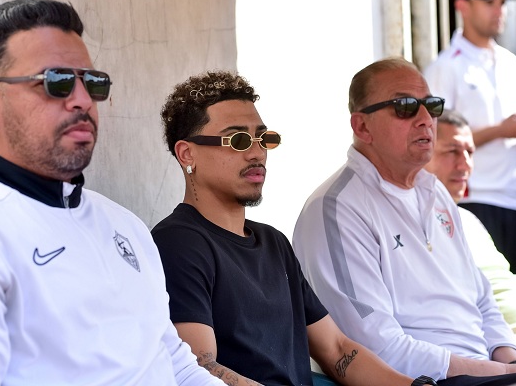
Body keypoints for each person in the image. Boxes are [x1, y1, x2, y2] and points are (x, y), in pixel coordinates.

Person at [0, 0, 226, 386]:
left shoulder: (126, 226)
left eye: (92, 83)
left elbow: (177, 366)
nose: (82, 100)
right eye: (56, 81)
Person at [151, 70, 426, 386]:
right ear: (187, 153)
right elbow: (200, 367)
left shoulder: (273, 242)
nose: (257, 153)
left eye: (263, 139)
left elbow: (337, 350)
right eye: (238, 140)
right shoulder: (177, 243)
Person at [293, 57, 516, 385]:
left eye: (432, 105)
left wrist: (508, 360)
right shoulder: (337, 209)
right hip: (426, 380)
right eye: (405, 107)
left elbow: (482, 298)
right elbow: (376, 349)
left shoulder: (435, 192)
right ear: (362, 127)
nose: (426, 119)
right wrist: (500, 373)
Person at [423, 0, 516, 272]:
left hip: (513, 199)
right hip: (474, 201)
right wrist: (500, 131)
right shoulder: (444, 67)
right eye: (490, 2)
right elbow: (431, 141)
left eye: (502, 2)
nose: (499, 11)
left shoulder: (510, 62)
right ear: (462, 6)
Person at [424, 109, 516, 335]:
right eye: (452, 151)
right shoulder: (413, 223)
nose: (465, 164)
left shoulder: (469, 219)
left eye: (470, 152)